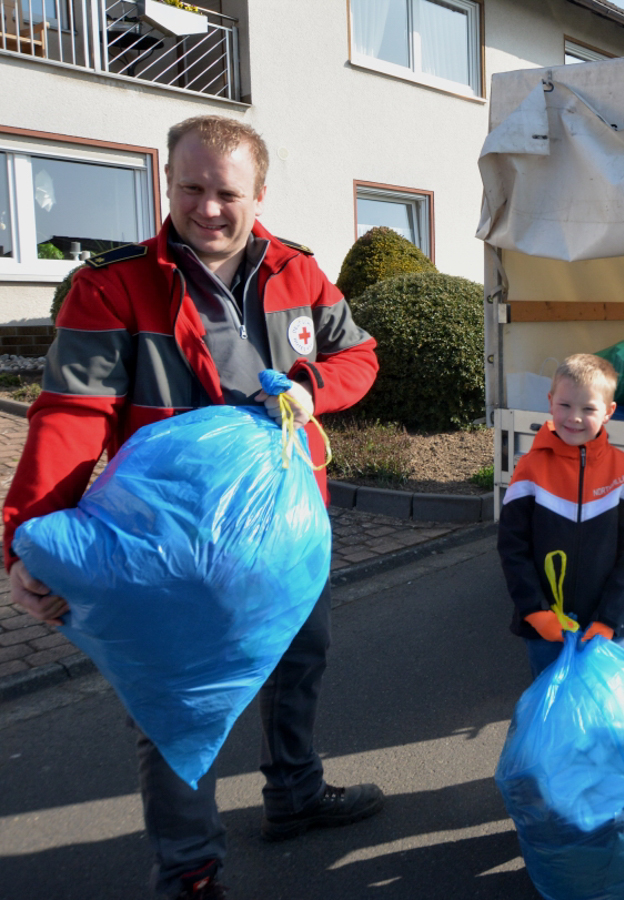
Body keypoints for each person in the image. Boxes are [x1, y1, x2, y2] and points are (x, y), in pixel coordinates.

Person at [2, 115, 383, 898]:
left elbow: (357, 354)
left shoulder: (299, 273)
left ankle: (295, 793)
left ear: (259, 194)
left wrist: (312, 392)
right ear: (167, 184)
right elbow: (71, 420)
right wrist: (21, 544)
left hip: (285, 535)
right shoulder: (113, 286)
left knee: (298, 662)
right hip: (164, 548)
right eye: (192, 188)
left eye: (227, 192)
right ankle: (189, 868)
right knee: (171, 705)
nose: (208, 208)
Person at [498, 354, 624, 679]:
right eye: (565, 405)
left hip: (604, 628)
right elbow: (513, 547)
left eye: (589, 409)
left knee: (603, 710)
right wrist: (534, 611)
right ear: (551, 401)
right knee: (553, 712)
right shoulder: (530, 468)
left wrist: (610, 619)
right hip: (544, 628)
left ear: (609, 412)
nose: (575, 418)